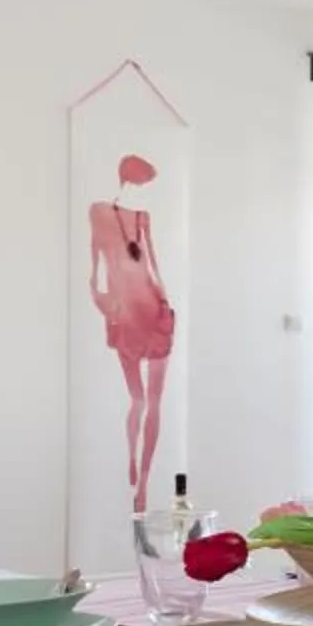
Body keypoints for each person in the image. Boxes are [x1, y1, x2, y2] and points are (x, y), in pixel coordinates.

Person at [88, 153, 176, 512]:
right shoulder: (100, 212)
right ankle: (133, 464)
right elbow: (94, 271)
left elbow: (152, 267)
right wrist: (104, 303)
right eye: (144, 184)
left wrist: (166, 303)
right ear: (130, 181)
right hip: (131, 311)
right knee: (140, 400)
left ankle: (142, 481)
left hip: (148, 310)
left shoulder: (141, 218)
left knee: (147, 401)